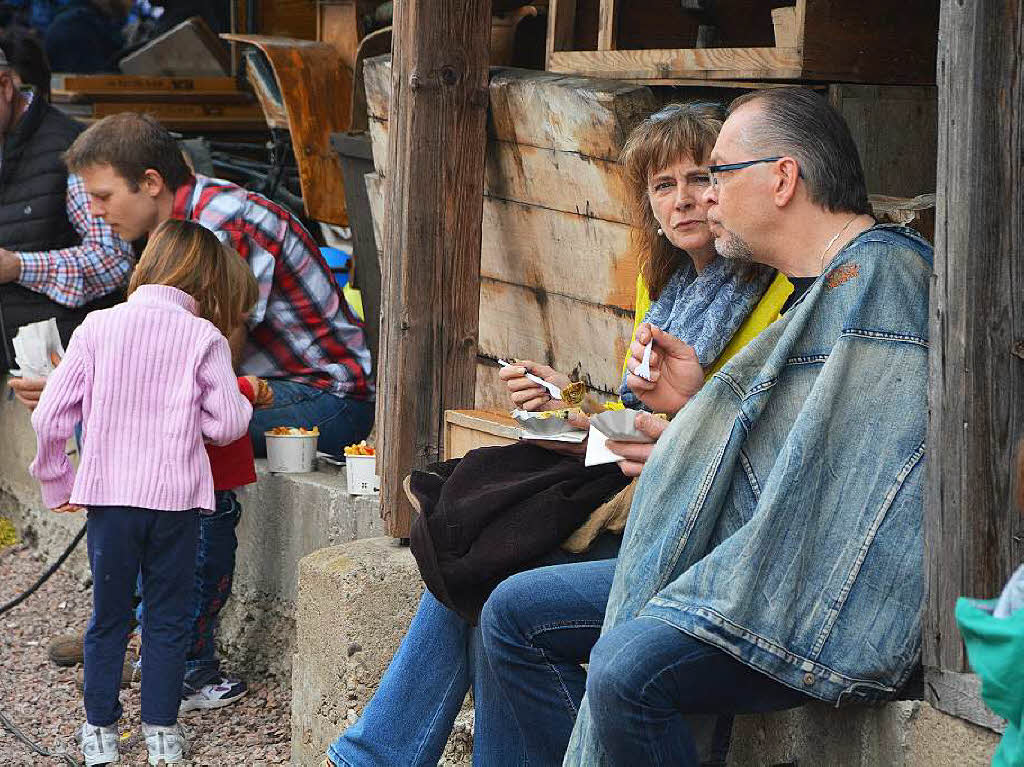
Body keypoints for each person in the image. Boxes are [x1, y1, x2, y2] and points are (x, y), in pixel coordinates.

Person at [324, 102, 798, 767]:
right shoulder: (661, 289)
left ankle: (371, 757)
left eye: (700, 178)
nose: (686, 200)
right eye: (664, 186)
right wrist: (571, 405)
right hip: (639, 494)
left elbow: (705, 441)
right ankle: (373, 756)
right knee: (476, 550)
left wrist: (601, 423)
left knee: (487, 570)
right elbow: (638, 423)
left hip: (692, 528)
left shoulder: (772, 292)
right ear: (649, 206)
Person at [475, 87, 932, 767]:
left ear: (782, 178)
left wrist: (690, 435)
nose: (705, 195)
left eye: (717, 172)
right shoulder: (821, 283)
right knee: (511, 610)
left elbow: (855, 498)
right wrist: (688, 414)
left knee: (630, 669)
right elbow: (785, 451)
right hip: (743, 557)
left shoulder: (882, 283)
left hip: (803, 586)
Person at [22, 111, 373, 711]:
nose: (99, 212)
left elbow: (206, 366)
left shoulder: (219, 226)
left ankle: (184, 652)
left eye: (104, 196)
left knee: (184, 443)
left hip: (324, 395)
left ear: (151, 183)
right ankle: (138, 624)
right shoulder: (186, 221)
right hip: (253, 384)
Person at [28, 219, 256, 766]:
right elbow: (227, 423)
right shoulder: (204, 337)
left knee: (107, 616)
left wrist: (57, 477)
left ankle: (99, 733)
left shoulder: (96, 326)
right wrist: (209, 411)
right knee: (168, 616)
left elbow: (50, 415)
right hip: (175, 501)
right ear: (206, 281)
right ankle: (160, 732)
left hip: (110, 501)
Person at [0, 44, 133, 376]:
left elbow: (114, 260)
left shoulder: (70, 150)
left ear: (5, 86)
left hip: (59, 370)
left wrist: (19, 266)